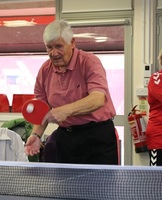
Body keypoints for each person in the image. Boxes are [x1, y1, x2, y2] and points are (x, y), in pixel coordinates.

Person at [24, 20, 118, 165]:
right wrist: (36, 135)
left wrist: (65, 111)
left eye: (59, 46)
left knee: (100, 187)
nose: (53, 53)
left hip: (97, 137)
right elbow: (43, 109)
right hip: (66, 138)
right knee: (66, 186)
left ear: (72, 42)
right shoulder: (45, 70)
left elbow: (97, 99)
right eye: (49, 47)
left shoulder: (89, 62)